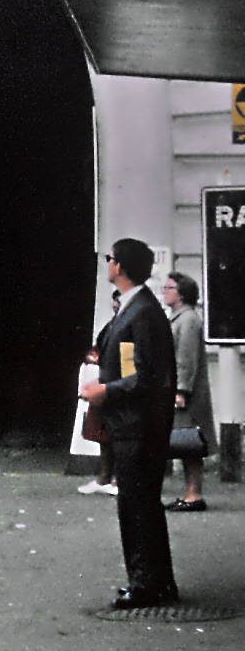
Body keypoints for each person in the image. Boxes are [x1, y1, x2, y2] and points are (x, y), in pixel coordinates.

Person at [78, 238, 178, 608]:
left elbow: (145, 377)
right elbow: (132, 367)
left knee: (136, 508)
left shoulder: (141, 313)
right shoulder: (137, 309)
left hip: (138, 427)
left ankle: (145, 586)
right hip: (135, 426)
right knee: (142, 507)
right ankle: (156, 582)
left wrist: (105, 391)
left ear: (119, 266)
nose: (106, 264)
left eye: (109, 259)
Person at [162, 272, 217, 512]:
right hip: (181, 393)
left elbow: (185, 359)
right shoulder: (180, 318)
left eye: (169, 287)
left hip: (187, 397)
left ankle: (194, 494)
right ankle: (190, 492)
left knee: (190, 444)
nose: (164, 290)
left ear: (181, 293)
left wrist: (181, 391)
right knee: (186, 445)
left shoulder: (188, 320)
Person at [78, 289, 119, 497]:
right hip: (105, 384)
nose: (115, 305)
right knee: (104, 435)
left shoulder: (132, 323)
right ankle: (104, 478)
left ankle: (119, 479)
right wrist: (93, 357)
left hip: (119, 386)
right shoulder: (111, 325)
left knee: (120, 435)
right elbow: (99, 346)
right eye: (114, 300)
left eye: (119, 300)